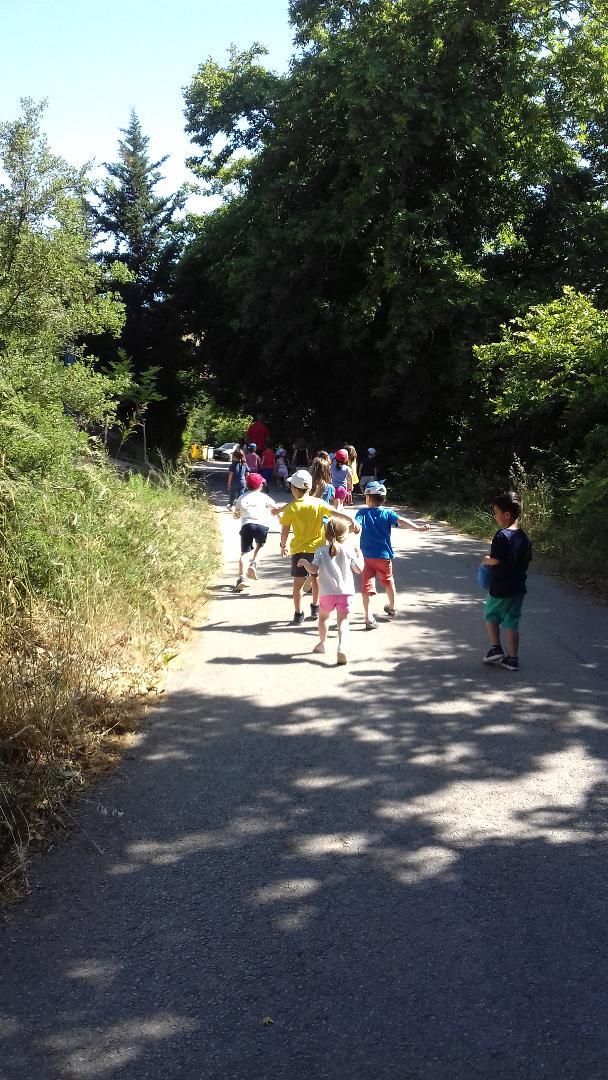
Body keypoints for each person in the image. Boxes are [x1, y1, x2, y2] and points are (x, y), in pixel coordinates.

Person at [276, 468, 360, 625]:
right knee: (315, 580)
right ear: (309, 488)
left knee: (298, 584)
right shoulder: (319, 503)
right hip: (317, 550)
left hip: (298, 551)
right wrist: (351, 519)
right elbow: (335, 512)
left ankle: (298, 614)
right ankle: (315, 607)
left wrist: (282, 545)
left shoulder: (291, 508)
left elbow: (285, 530)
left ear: (294, 488)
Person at [355, 480, 430, 629]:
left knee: (367, 585)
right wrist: (417, 528)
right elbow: (401, 520)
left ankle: (368, 617)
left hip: (367, 557)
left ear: (368, 498)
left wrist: (350, 529)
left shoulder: (362, 512)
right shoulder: (388, 512)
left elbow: (355, 524)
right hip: (384, 556)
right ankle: (392, 607)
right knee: (389, 581)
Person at [297, 517, 364, 665]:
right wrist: (360, 555)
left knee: (323, 618)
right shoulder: (348, 550)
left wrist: (305, 563)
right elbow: (359, 569)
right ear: (345, 535)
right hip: (345, 593)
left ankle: (322, 644)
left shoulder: (320, 551)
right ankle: (342, 647)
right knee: (343, 622)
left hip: (327, 593)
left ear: (325, 534)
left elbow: (313, 570)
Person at [481, 491, 532, 671]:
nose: (495, 516)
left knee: (490, 615)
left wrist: (486, 560)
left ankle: (496, 648)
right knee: (512, 622)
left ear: (507, 514)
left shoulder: (501, 535)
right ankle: (513, 659)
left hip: (501, 587)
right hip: (518, 587)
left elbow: (496, 560)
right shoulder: (524, 537)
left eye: (496, 512)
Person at [232, 473, 276, 592]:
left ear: (247, 485)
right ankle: (254, 564)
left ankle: (242, 578)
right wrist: (282, 521)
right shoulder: (264, 497)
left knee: (244, 553)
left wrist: (236, 514)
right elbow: (275, 509)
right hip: (262, 526)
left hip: (247, 526)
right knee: (261, 546)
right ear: (261, 485)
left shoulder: (242, 497)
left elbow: (236, 514)